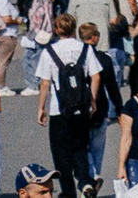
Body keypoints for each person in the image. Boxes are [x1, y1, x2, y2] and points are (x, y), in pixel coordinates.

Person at [37, 13, 101, 198]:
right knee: (80, 148)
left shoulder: (49, 52)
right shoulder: (85, 49)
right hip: (81, 107)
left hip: (59, 110)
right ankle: (85, 182)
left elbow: (45, 83)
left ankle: (68, 192)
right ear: (74, 29)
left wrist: (41, 108)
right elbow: (96, 76)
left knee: (61, 155)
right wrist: (92, 100)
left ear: (57, 30)